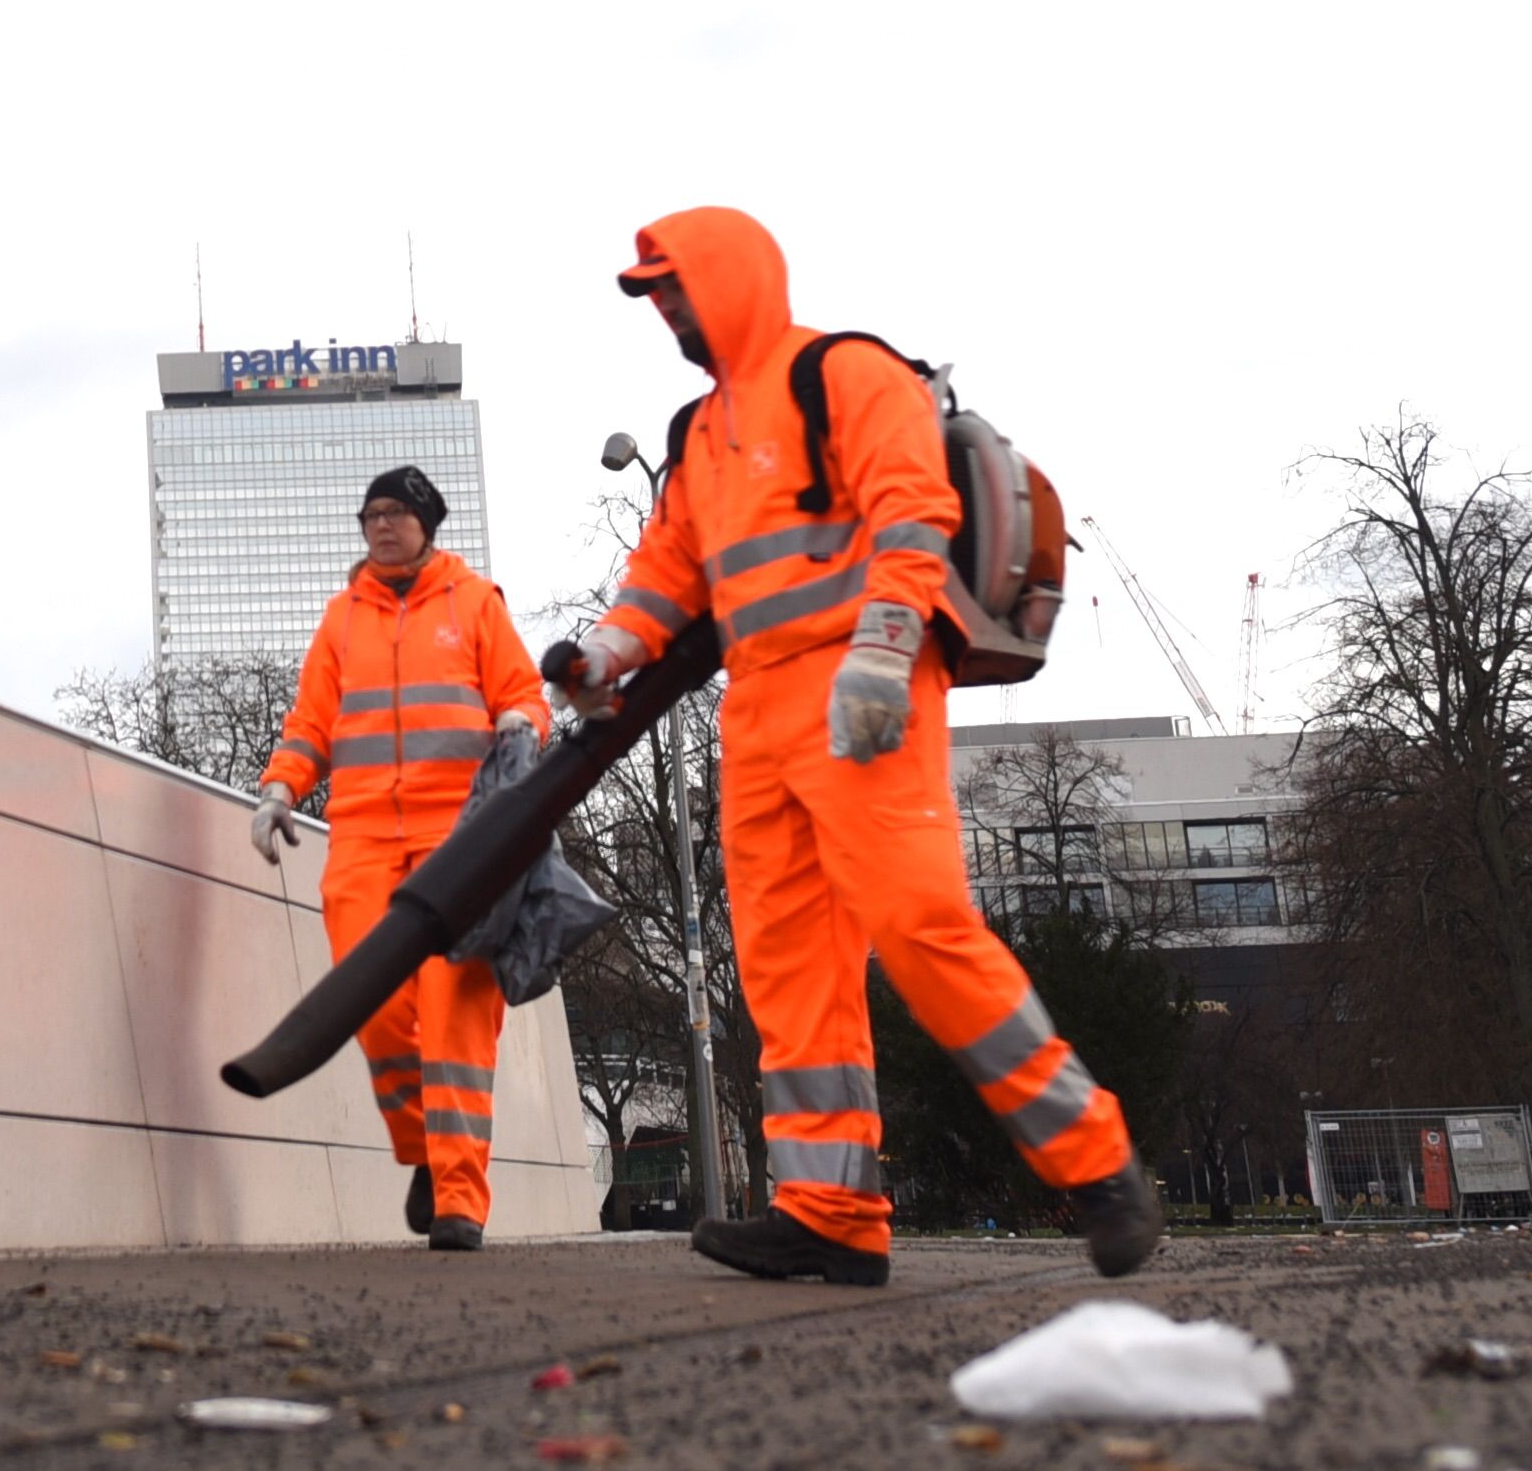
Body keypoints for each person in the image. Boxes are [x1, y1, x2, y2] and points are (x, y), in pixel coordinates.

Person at [556, 205, 1165, 1286]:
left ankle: (1101, 1163)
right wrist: (606, 650)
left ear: (729, 280)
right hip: (756, 710)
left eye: (675, 290)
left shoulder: (843, 374)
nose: (668, 314)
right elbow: (669, 570)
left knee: (922, 928)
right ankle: (829, 1209)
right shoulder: (699, 432)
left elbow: (912, 507)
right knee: (790, 971)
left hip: (861, 686)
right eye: (655, 299)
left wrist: (885, 651)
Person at [250, 465, 544, 1248]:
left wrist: (519, 720)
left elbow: (524, 692)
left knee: (455, 1021)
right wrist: (280, 787)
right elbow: (311, 719)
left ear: (427, 523)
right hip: (363, 841)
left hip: (463, 846)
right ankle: (421, 1150)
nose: (381, 525)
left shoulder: (476, 603)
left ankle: (459, 1200)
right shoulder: (342, 618)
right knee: (374, 1011)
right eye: (370, 514)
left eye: (396, 512)